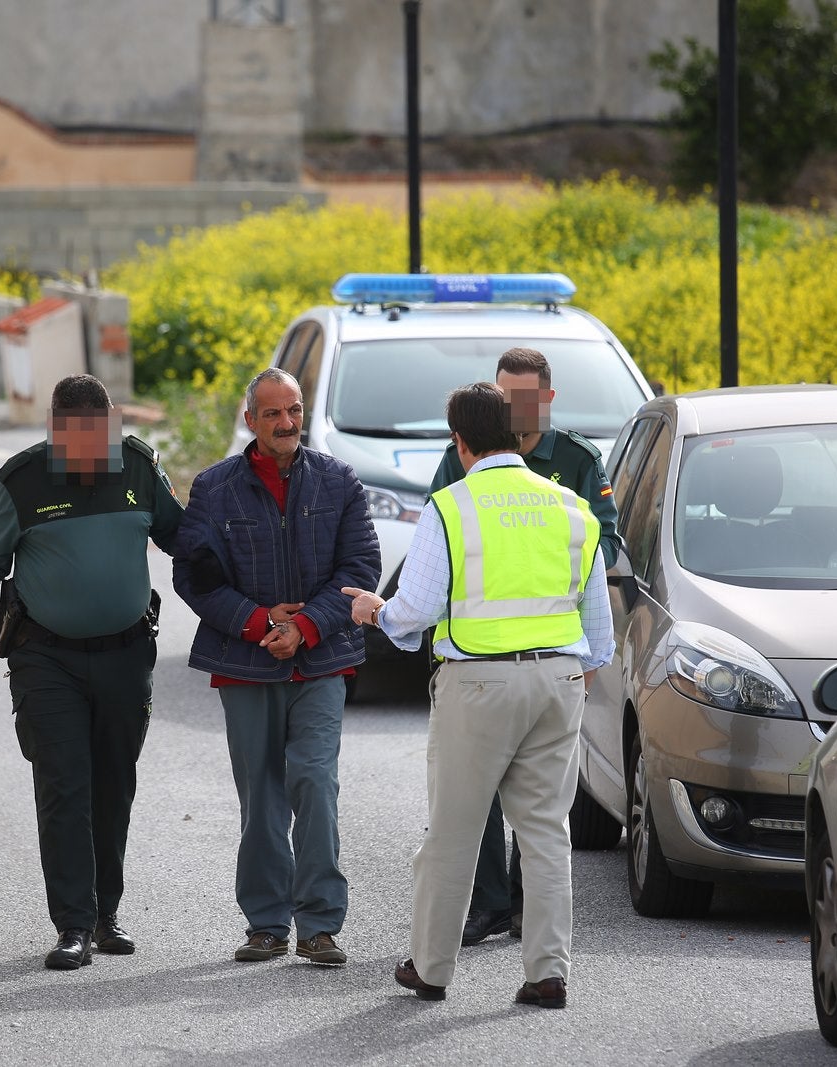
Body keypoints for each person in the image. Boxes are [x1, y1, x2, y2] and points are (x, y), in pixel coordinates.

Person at [342, 380, 614, 1009]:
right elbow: (597, 626)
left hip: (480, 683)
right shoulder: (571, 508)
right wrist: (573, 674)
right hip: (560, 678)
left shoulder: (451, 507)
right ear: (517, 434)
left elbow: (418, 608)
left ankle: (431, 970)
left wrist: (373, 610)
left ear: (459, 441)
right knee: (546, 831)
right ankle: (548, 973)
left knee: (455, 831)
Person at [0, 374, 182, 971]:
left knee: (113, 782)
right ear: (55, 430)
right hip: (47, 656)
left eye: (96, 436)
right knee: (64, 783)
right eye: (72, 437)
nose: (86, 450)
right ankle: (72, 924)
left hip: (126, 654)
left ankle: (106, 916)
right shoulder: (20, 481)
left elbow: (185, 539)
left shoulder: (139, 469)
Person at [172, 367, 381, 967]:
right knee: (259, 793)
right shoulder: (214, 488)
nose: (287, 423)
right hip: (245, 663)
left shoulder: (339, 481)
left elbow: (361, 565)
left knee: (314, 781)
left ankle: (319, 924)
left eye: (293, 411)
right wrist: (260, 621)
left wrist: (306, 627)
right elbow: (194, 575)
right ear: (251, 421)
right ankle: (266, 923)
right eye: (273, 414)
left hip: (321, 663)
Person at [424, 346, 621, 947]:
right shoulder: (460, 458)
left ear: (549, 399)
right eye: (504, 397)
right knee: (475, 794)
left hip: (551, 653)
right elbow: (437, 538)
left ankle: (524, 910)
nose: (512, 408)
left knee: (539, 808)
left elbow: (603, 542)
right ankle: (487, 905)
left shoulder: (578, 461)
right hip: (476, 652)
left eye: (525, 398)